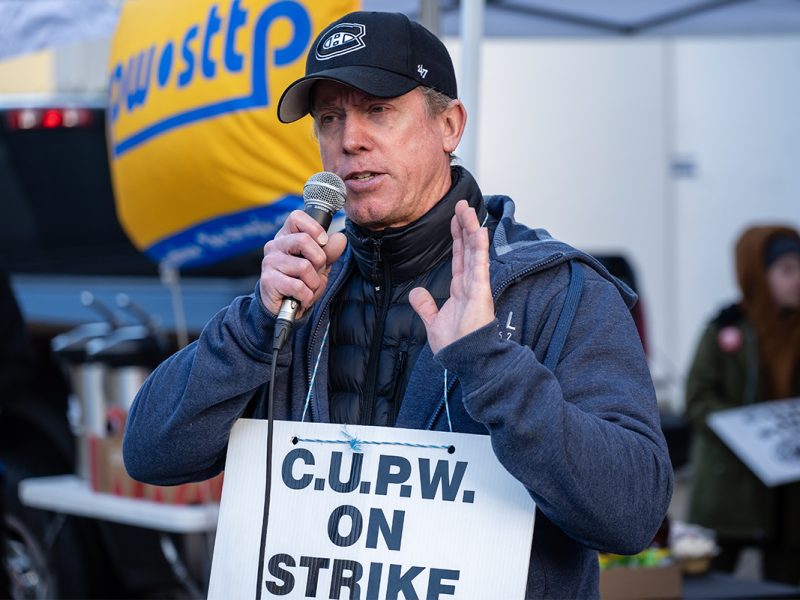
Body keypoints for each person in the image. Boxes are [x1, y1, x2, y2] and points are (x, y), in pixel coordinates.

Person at [123, 11, 673, 598]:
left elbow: (632, 512)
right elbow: (151, 454)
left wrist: (491, 364)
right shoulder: (300, 292)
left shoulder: (556, 289)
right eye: (329, 118)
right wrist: (254, 328)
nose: (349, 139)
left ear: (450, 126)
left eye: (378, 110)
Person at [685, 225, 800, 585]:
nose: (798, 279)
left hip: (790, 493)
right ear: (756, 273)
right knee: (713, 580)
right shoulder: (725, 329)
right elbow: (698, 398)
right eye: (786, 270)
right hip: (731, 486)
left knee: (786, 581)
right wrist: (747, 429)